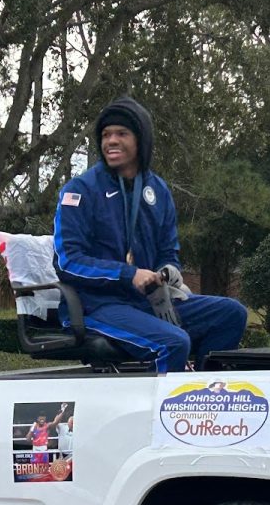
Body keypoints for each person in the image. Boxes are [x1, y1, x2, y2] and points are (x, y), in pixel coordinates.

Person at [54, 96, 247, 372]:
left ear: (140, 139)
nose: (111, 141)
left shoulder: (158, 190)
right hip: (96, 307)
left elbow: (168, 252)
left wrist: (169, 271)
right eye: (106, 135)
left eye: (121, 133)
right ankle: (168, 412)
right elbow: (67, 262)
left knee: (231, 314)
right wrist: (129, 274)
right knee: (173, 343)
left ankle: (206, 400)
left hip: (147, 304)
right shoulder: (80, 190)